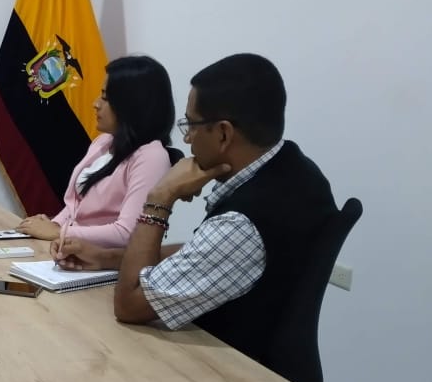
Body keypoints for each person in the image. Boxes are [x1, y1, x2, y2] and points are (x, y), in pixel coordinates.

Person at [53, 53, 336, 363]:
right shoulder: (296, 170)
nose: (186, 138)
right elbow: (199, 252)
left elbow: (129, 305)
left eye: (191, 124)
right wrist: (105, 258)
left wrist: (160, 198)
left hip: (237, 377)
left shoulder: (242, 222)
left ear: (224, 133)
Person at [16, 56, 181, 246]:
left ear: (132, 105)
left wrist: (59, 232)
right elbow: (75, 205)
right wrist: (52, 225)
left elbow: (127, 233)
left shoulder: (151, 157)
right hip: (70, 248)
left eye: (105, 98)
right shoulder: (104, 142)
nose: (96, 104)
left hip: (102, 259)